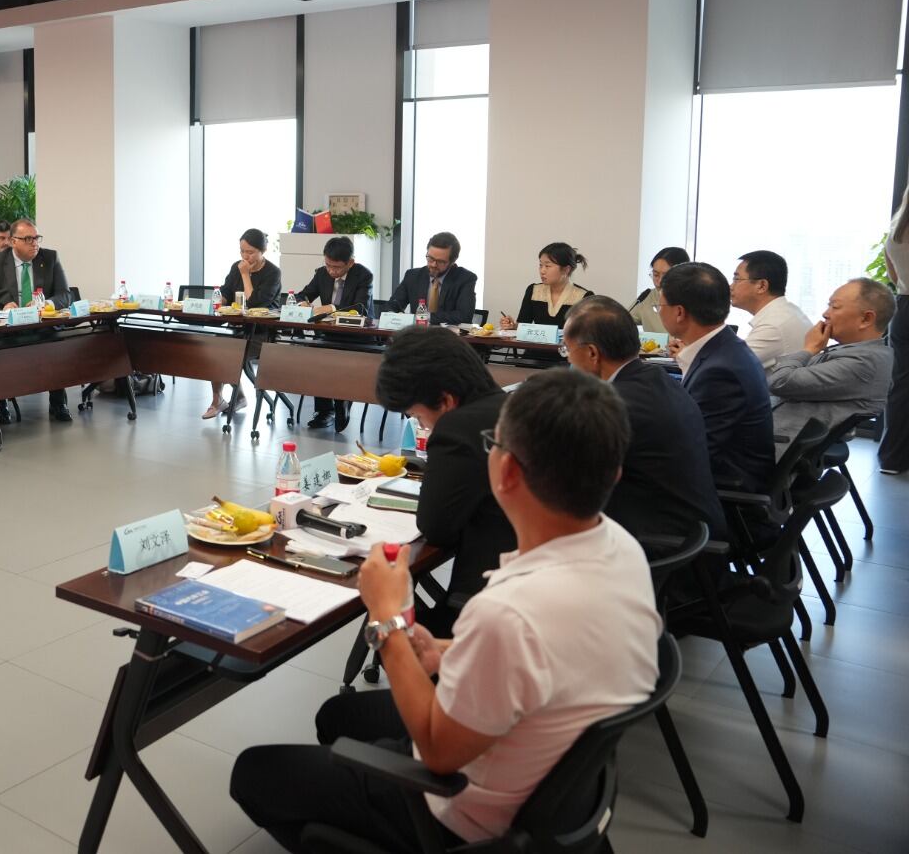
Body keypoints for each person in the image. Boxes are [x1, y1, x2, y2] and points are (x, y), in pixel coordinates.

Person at [232, 370, 660, 853]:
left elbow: (437, 752)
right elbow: (555, 648)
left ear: (507, 471)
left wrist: (388, 618)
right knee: (339, 716)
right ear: (614, 472)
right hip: (553, 784)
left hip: (463, 816)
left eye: (493, 445)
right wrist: (449, 650)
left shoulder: (509, 612)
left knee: (254, 772)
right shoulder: (621, 549)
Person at [373, 326, 512, 634]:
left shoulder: (459, 429)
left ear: (446, 401)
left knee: (396, 630)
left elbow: (436, 526)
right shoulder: (511, 405)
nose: (422, 426)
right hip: (530, 590)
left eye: (418, 417)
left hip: (489, 607)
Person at [564, 297, 727, 541]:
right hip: (695, 529)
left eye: (567, 349)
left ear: (592, 353)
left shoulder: (614, 405)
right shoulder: (657, 378)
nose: (567, 359)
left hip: (663, 543)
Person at [658, 262, 774, 492]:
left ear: (679, 312)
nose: (659, 311)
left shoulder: (721, 372)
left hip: (727, 491)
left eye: (659, 305)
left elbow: (694, 452)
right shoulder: (725, 348)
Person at [768, 278, 894, 455]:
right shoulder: (852, 352)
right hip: (767, 431)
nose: (825, 314)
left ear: (866, 319)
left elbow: (779, 382)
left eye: (835, 307)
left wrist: (808, 349)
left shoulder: (863, 362)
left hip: (772, 445)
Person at [0, 217, 75, 423]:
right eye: (28, 239)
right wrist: (4, 308)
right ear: (13, 241)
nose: (35, 243)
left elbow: (65, 295)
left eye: (37, 237)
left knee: (55, 343)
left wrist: (46, 304)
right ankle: (2, 405)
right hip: (9, 328)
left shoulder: (49, 258)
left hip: (42, 325)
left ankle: (58, 402)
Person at [299, 235, 374, 431]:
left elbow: (360, 308)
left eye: (337, 267)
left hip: (357, 336)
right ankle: (325, 411)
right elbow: (304, 294)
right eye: (328, 265)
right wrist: (302, 302)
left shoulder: (364, 275)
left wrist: (330, 307)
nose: (331, 271)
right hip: (328, 333)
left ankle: (343, 399)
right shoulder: (322, 273)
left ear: (350, 263)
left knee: (338, 358)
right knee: (316, 356)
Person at [206, 229, 282, 420]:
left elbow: (255, 302)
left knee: (227, 354)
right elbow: (226, 292)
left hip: (263, 334)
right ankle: (218, 400)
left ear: (262, 251)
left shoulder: (272, 272)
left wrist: (246, 275)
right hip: (238, 329)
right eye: (242, 251)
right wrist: (217, 301)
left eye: (250, 252)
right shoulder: (236, 267)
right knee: (215, 349)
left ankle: (234, 398)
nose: (245, 256)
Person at [730, 250, 812, 369]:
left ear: (762, 286)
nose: (731, 287)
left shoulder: (773, 326)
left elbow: (726, 367)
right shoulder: (787, 311)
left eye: (736, 279)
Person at [387, 232, 478, 324]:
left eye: (441, 262)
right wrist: (391, 315)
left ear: (452, 261)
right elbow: (394, 304)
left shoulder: (465, 279)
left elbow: (464, 316)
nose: (433, 265)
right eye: (430, 258)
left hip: (448, 336)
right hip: (416, 335)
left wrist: (424, 317)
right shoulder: (413, 276)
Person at [501, 242, 591, 329]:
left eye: (547, 266)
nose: (542, 271)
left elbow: (586, 334)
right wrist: (513, 326)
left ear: (566, 269)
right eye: (540, 265)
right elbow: (524, 325)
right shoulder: (533, 290)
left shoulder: (584, 297)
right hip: (536, 345)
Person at [882, 186, 909, 474]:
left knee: (901, 386)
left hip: (903, 308)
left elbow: (893, 275)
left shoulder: (895, 230)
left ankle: (893, 459)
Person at [629, 247, 689, 331]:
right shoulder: (647, 297)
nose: (659, 282)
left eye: (666, 276)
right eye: (656, 275)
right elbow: (622, 321)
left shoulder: (694, 300)